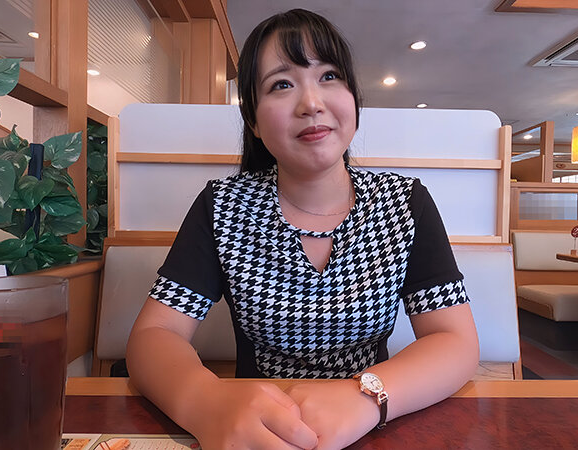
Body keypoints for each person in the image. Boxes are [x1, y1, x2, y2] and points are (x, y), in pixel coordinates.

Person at [127, 8, 479, 450]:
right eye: (281, 84)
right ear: (253, 121)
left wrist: (366, 397)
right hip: (257, 433)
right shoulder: (223, 206)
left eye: (329, 76)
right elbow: (154, 335)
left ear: (354, 100)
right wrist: (205, 401)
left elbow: (454, 340)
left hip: (375, 427)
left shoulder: (404, 202)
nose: (311, 103)